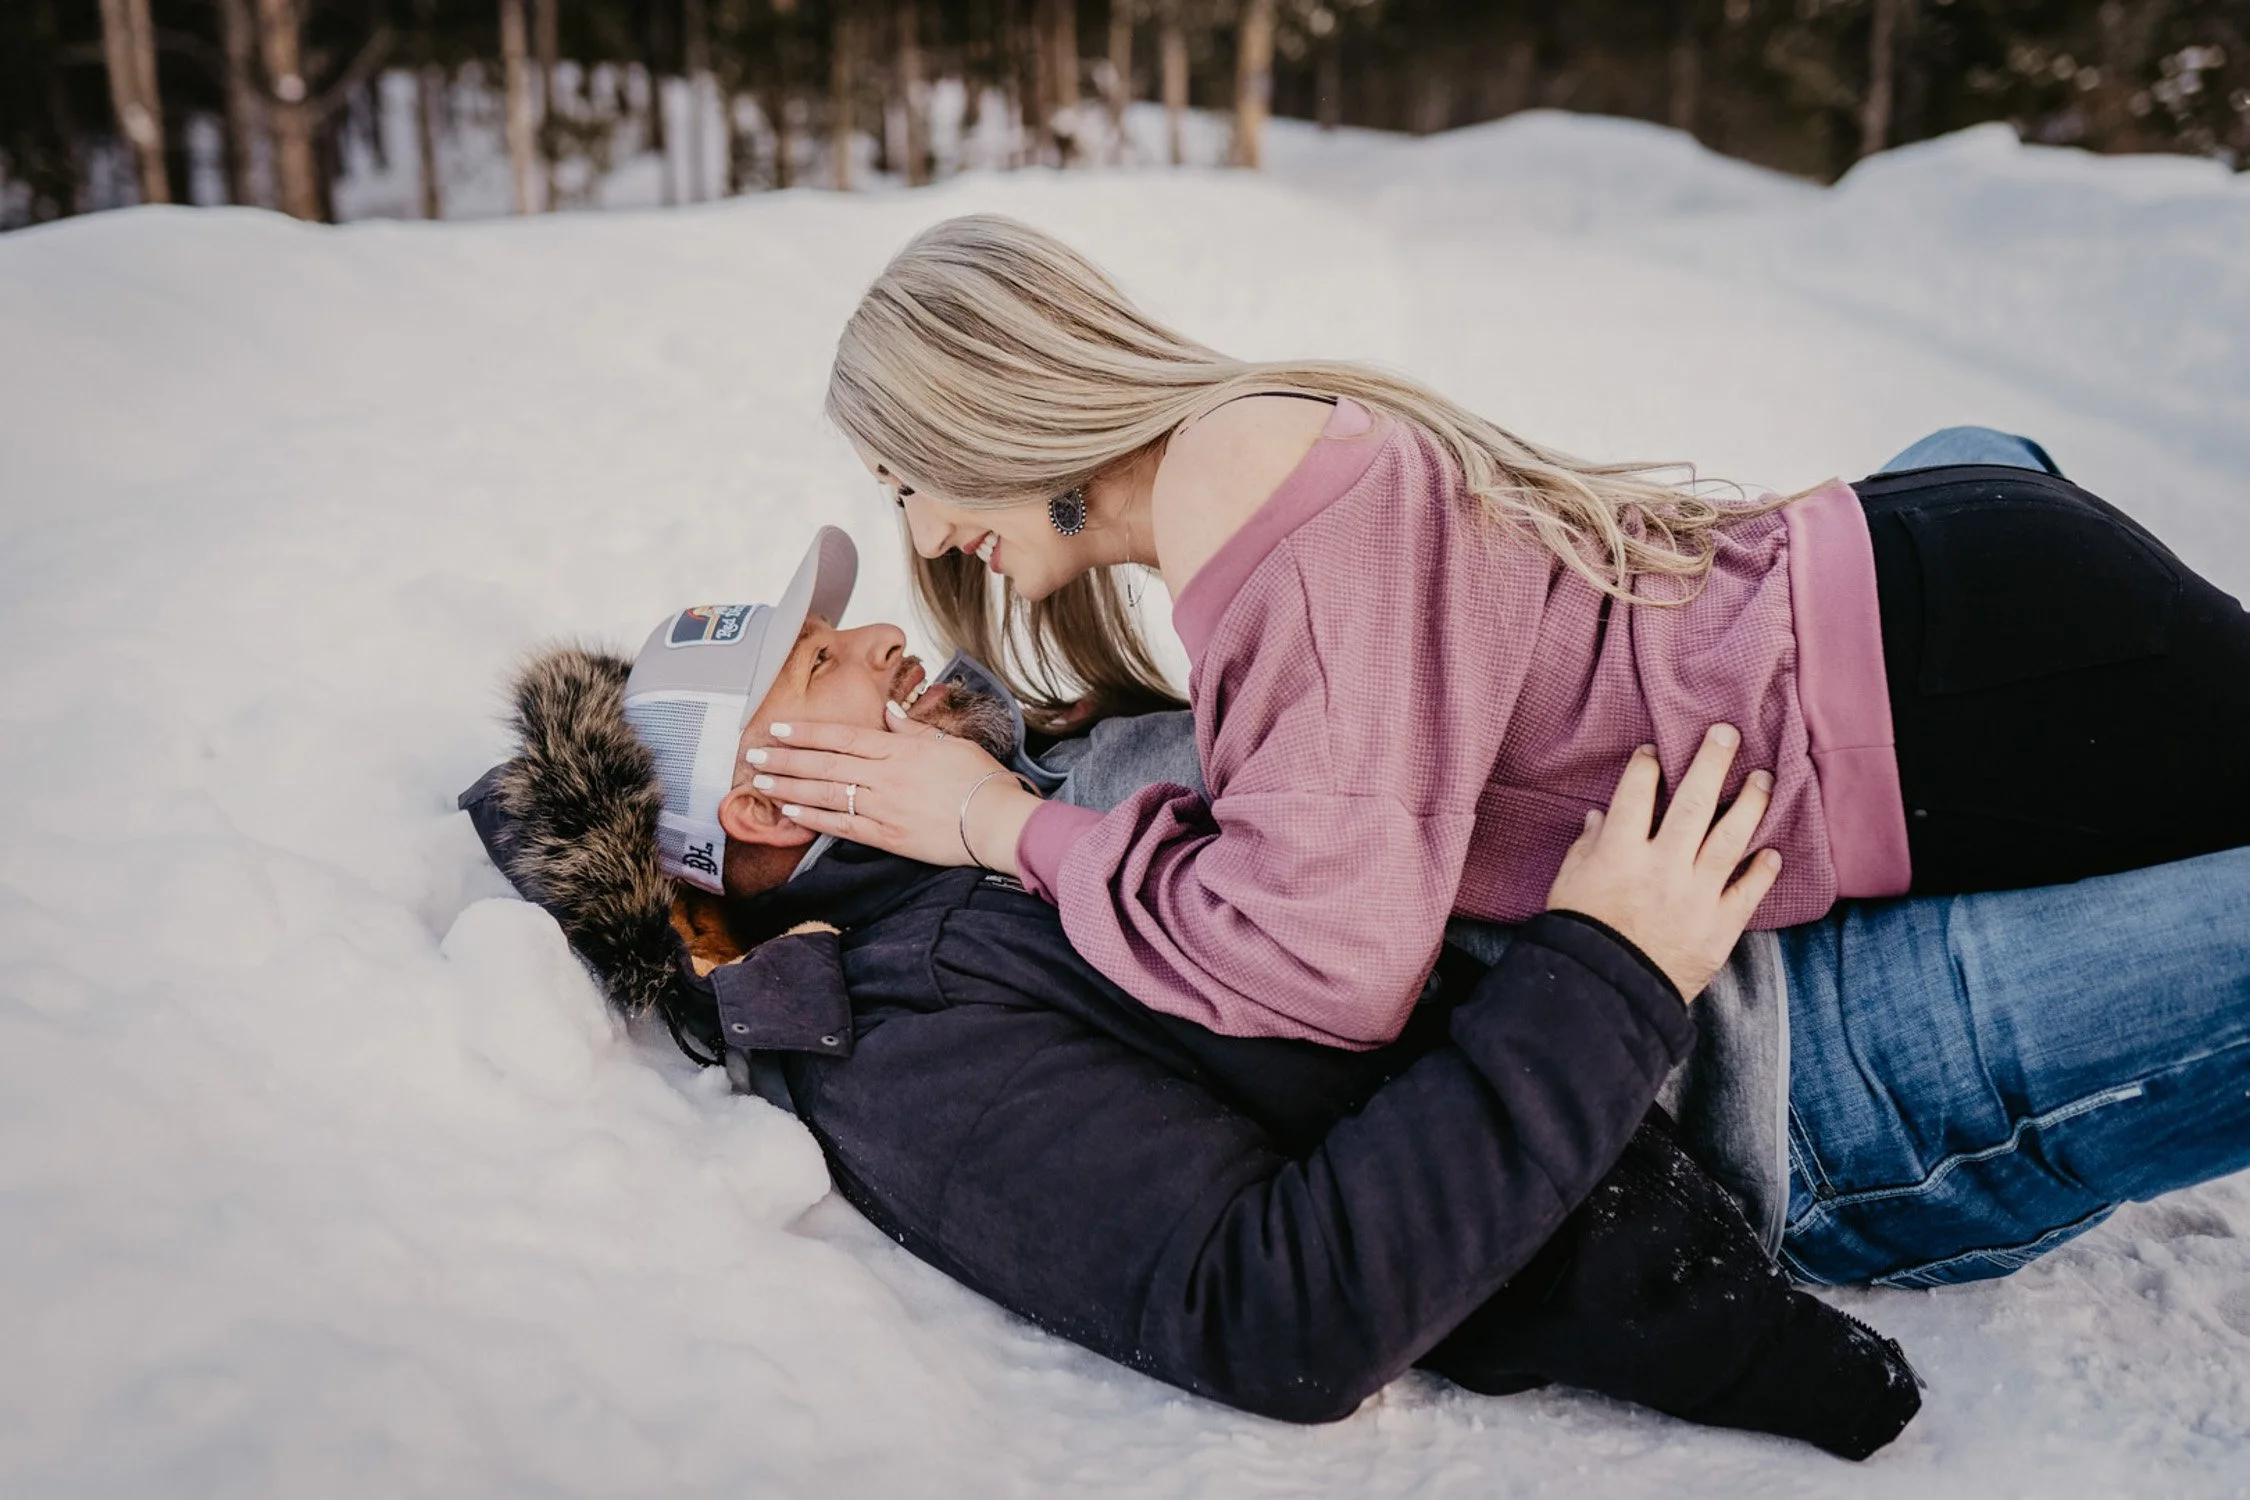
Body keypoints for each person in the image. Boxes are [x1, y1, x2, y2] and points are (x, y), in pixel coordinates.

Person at [461, 535, 1924, 1460]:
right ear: (756, 820)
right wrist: (1607, 971)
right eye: (821, 663)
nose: (883, 642)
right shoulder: (892, 1040)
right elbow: (1274, 1313)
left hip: (1692, 924)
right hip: (1727, 1081)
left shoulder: (983, 816)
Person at [751, 213, 2250, 1052]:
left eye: (911, 481)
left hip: (1938, 686)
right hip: (1932, 586)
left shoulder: (1235, 491)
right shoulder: (1239, 449)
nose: (931, 538)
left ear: (985, 407)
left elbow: (1326, 968)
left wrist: (998, 824)